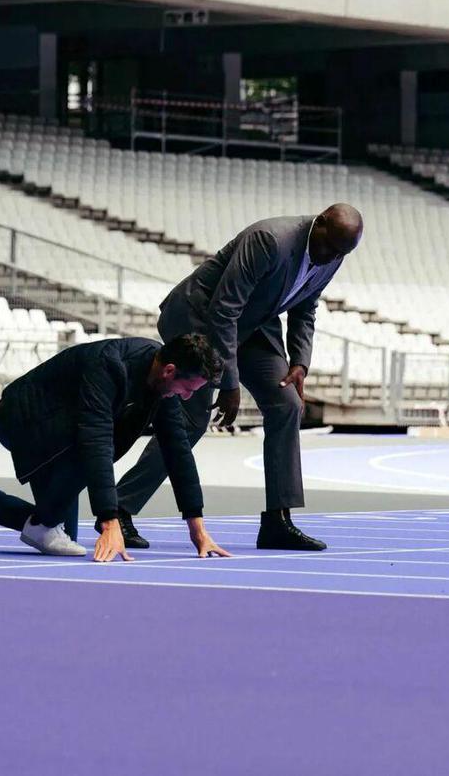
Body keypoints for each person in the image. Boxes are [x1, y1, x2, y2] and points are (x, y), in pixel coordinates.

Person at [115, 203, 363, 551]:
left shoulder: (335, 250)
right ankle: (119, 509)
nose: (330, 257)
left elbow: (306, 306)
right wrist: (229, 383)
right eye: (328, 248)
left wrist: (300, 362)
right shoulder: (270, 239)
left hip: (253, 325)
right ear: (319, 223)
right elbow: (224, 308)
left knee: (287, 403)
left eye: (340, 253)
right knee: (191, 422)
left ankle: (278, 521)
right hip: (201, 319)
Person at [0, 334, 230, 562]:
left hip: (62, 426)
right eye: (189, 388)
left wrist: (198, 529)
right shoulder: (108, 365)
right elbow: (96, 440)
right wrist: (109, 520)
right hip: (24, 418)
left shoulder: (163, 384)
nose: (188, 396)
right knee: (49, 525)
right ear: (170, 371)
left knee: (57, 532)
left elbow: (177, 450)